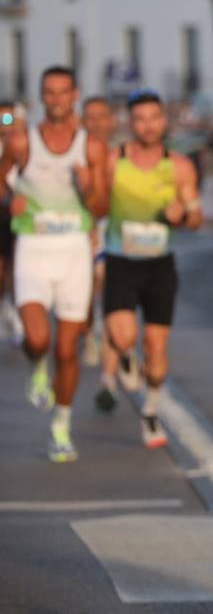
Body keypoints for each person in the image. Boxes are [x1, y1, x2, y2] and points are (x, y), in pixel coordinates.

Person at [0, 67, 109, 463]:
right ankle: (37, 365)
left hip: (74, 251)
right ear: (42, 96)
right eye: (49, 92)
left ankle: (61, 426)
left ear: (75, 95)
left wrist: (88, 189)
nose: (57, 99)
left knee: (67, 349)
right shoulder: (21, 142)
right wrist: (9, 201)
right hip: (33, 245)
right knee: (37, 338)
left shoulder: (90, 147)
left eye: (64, 92)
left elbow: (102, 207)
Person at [97, 89, 202, 448]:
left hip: (160, 266)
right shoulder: (114, 161)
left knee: (156, 353)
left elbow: (197, 218)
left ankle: (151, 411)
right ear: (130, 123)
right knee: (123, 337)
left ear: (164, 121)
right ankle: (126, 358)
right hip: (121, 260)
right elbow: (97, 205)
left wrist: (182, 215)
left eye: (154, 118)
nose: (148, 126)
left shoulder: (180, 167)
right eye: (140, 119)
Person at [81, 96, 116, 369]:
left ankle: (112, 340)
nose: (96, 123)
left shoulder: (120, 155)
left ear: (111, 120)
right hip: (81, 229)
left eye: (101, 116)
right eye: (90, 117)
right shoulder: (75, 154)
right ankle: (90, 332)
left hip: (113, 230)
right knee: (88, 287)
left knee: (108, 285)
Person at [0, 101, 24, 347]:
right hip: (2, 213)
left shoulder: (24, 144)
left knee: (19, 266)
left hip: (22, 215)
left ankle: (17, 312)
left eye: (9, 119)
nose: (5, 124)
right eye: (2, 120)